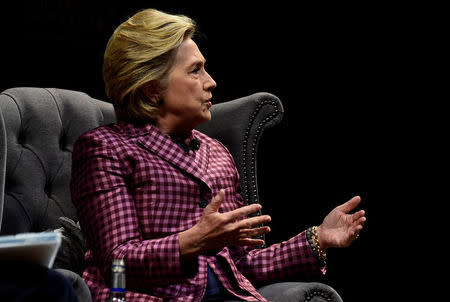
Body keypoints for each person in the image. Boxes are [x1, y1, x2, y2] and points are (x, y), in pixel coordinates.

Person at [70, 8, 366, 302]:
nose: (211, 82)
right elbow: (117, 263)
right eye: (195, 70)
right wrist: (193, 241)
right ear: (151, 89)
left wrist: (317, 239)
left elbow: (239, 266)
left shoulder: (217, 153)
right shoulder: (106, 149)